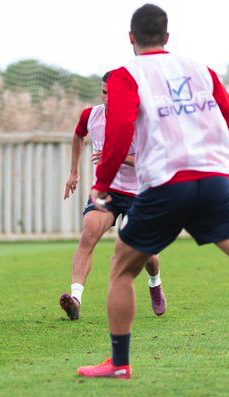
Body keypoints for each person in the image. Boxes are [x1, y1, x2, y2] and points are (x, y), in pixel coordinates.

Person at [78, 3, 229, 379]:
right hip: (214, 185)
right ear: (167, 38)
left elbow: (118, 133)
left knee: (120, 270)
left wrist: (102, 184)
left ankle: (119, 363)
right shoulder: (202, 71)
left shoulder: (124, 75)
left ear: (130, 38)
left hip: (166, 187)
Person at [60, 71, 166, 320]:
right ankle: (75, 299)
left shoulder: (141, 120)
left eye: (114, 94)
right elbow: (78, 136)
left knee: (146, 252)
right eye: (105, 92)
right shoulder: (91, 115)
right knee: (88, 235)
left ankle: (155, 283)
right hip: (107, 190)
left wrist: (115, 157)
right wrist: (74, 172)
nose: (108, 98)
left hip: (140, 194)